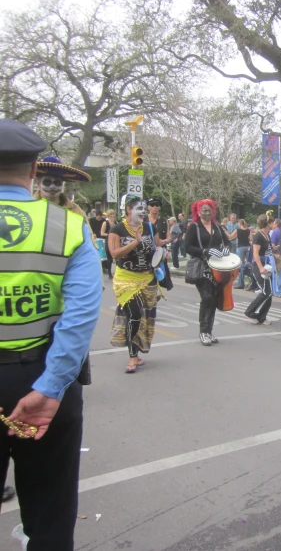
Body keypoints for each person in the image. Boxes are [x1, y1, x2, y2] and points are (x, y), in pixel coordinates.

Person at [0, 119, 102, 550]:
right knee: (50, 518)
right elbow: (79, 318)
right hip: (43, 385)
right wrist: (51, 386)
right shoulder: (69, 227)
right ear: (31, 173)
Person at [108, 195, 163, 372]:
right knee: (135, 314)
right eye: (139, 208)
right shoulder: (117, 229)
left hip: (147, 279)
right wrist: (135, 242)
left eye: (144, 209)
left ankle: (137, 353)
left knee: (145, 318)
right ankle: (132, 357)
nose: (143, 212)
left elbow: (157, 247)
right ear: (129, 210)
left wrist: (164, 249)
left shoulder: (149, 227)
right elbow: (115, 254)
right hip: (125, 280)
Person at [184, 200, 231, 346]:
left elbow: (227, 242)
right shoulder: (194, 228)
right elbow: (187, 247)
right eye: (204, 210)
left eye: (209, 210)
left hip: (217, 269)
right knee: (207, 298)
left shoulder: (217, 227)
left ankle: (209, 331)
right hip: (202, 267)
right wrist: (204, 251)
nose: (207, 213)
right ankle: (203, 331)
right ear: (198, 212)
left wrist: (226, 249)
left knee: (214, 299)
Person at [244, 214, 274, 325]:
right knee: (266, 291)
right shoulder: (258, 236)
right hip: (259, 266)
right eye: (272, 222)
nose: (274, 224)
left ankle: (262, 316)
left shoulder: (267, 235)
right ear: (268, 223)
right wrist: (260, 267)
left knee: (269, 292)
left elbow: (268, 250)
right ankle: (250, 312)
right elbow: (255, 253)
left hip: (267, 264)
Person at [234, 219, 251, 290]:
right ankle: (250, 281)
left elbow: (231, 236)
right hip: (247, 247)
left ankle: (240, 283)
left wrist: (225, 232)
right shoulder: (248, 230)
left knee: (240, 265)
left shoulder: (237, 230)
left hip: (240, 247)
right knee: (249, 263)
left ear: (239, 224)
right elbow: (251, 239)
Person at [271, 218, 281, 297]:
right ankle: (280, 291)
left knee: (277, 273)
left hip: (276, 254)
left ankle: (278, 291)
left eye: (274, 223)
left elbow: (272, 245)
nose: (273, 224)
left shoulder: (275, 232)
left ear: (276, 224)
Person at [100, 209, 117, 278]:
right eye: (111, 215)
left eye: (113, 214)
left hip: (115, 241)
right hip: (108, 241)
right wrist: (109, 235)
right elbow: (102, 233)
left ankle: (117, 272)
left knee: (117, 257)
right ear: (108, 216)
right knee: (109, 258)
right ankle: (110, 273)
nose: (112, 216)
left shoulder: (116, 222)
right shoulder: (105, 223)